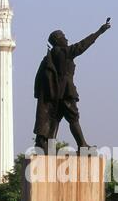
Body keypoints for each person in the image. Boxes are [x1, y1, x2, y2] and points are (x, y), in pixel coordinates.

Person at [33, 19, 111, 154]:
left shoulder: (49, 56)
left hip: (57, 94)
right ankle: (82, 146)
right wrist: (99, 32)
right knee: (73, 119)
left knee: (55, 120)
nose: (66, 39)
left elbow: (39, 79)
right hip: (65, 93)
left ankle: (49, 149)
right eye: (64, 37)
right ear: (57, 40)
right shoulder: (62, 53)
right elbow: (82, 45)